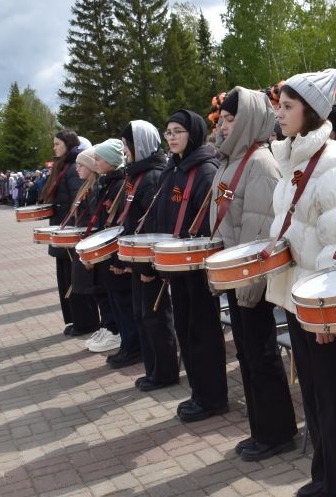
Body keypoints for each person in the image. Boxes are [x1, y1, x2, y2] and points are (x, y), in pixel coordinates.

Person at [267, 70, 336, 496]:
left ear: (311, 112)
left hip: (320, 302)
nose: (280, 112)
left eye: (288, 106)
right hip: (297, 295)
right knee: (313, 393)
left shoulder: (331, 161)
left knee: (335, 396)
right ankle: (327, 475)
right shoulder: (293, 156)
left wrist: (328, 310)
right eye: (280, 104)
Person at [207, 87, 298, 461]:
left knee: (261, 356)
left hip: (251, 280)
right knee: (247, 355)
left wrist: (246, 285)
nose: (225, 126)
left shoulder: (259, 163)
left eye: (232, 119)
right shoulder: (233, 160)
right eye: (223, 120)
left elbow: (259, 231)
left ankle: (276, 432)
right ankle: (261, 428)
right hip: (236, 276)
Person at [154, 109, 229, 423]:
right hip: (177, 263)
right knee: (186, 329)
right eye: (168, 131)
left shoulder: (206, 170)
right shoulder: (175, 169)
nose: (171, 137)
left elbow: (213, 217)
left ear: (193, 133)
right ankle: (199, 393)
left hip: (197, 264)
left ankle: (213, 398)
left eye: (177, 131)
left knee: (203, 332)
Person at [120, 120, 177, 391]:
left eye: (127, 146)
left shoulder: (153, 175)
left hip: (148, 259)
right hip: (136, 256)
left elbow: (155, 223)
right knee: (141, 315)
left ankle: (164, 372)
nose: (124, 151)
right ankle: (152, 368)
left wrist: (149, 267)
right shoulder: (138, 174)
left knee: (155, 315)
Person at [89, 139, 141, 369]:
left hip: (116, 253)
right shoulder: (106, 183)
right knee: (115, 301)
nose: (95, 162)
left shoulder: (120, 184)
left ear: (110, 160)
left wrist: (120, 258)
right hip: (106, 251)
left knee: (125, 303)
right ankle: (127, 345)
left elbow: (123, 222)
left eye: (98, 158)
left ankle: (132, 347)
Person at [40, 130, 92, 335]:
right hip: (62, 231)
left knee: (75, 280)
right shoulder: (64, 167)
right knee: (65, 280)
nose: (54, 148)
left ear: (69, 145)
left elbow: (78, 202)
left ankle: (85, 322)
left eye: (57, 144)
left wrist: (70, 229)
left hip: (70, 234)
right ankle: (74, 319)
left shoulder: (72, 169)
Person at [71, 148, 119, 349]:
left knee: (104, 290)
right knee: (98, 291)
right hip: (93, 243)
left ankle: (113, 330)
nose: (77, 168)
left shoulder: (102, 186)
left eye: (81, 164)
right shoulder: (91, 187)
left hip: (102, 246)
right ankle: (107, 326)